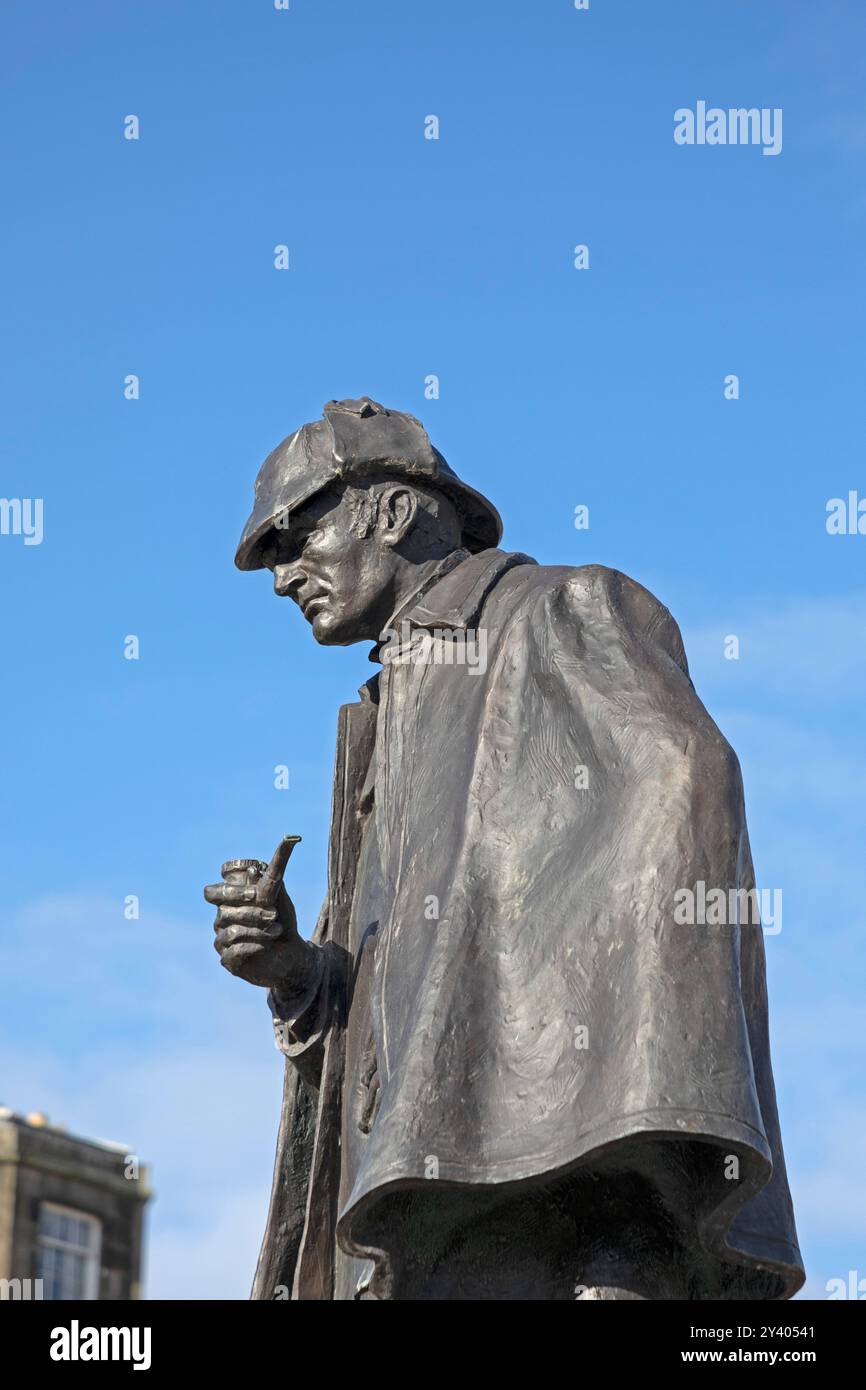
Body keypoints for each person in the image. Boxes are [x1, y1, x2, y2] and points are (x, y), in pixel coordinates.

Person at [204, 397, 804, 1301]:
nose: (282, 577)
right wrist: (292, 965)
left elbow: (684, 798)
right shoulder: (381, 715)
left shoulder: (558, 609)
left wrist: (614, 1144)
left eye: (295, 540)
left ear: (394, 511)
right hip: (407, 1222)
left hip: (557, 1195)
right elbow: (391, 997)